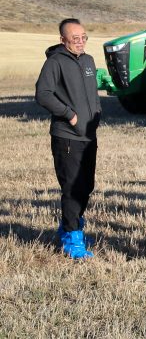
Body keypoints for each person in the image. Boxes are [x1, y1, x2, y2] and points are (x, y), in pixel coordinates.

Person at [35, 18, 102, 260]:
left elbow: (92, 93)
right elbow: (43, 94)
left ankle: (69, 227)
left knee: (87, 186)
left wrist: (96, 113)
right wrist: (69, 115)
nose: (81, 42)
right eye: (76, 39)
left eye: (84, 37)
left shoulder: (88, 60)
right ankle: (72, 238)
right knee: (72, 188)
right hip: (67, 136)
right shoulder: (55, 62)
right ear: (63, 40)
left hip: (89, 135)